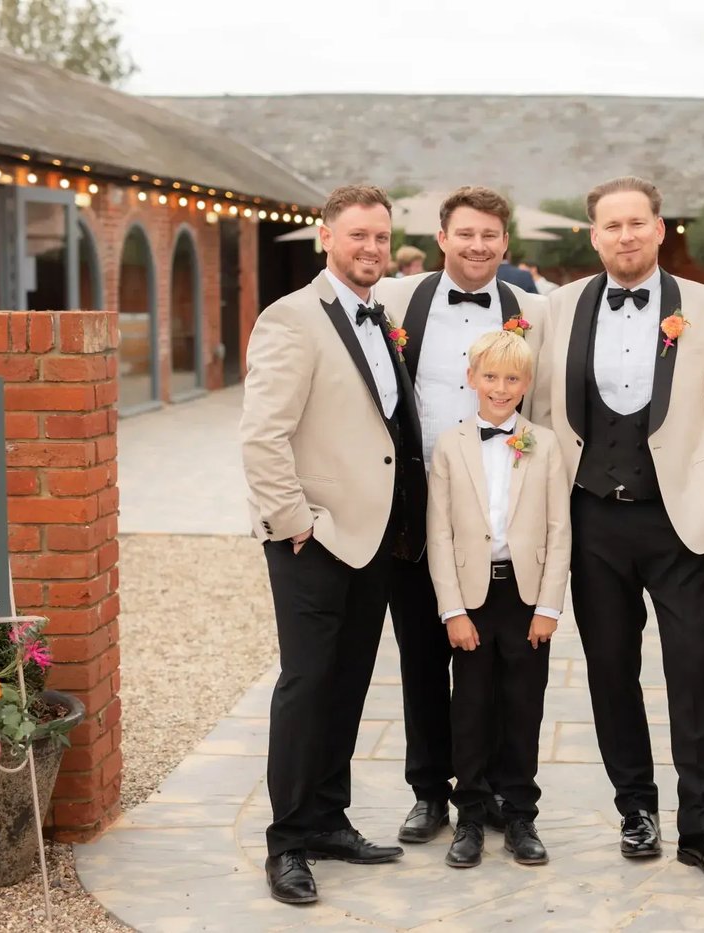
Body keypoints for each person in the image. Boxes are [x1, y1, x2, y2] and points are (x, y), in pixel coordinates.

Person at [532, 176, 704, 881]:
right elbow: (541, 410)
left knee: (691, 667)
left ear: (659, 229)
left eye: (636, 223)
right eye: (611, 225)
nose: (625, 235)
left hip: (677, 520)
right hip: (591, 517)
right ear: (594, 236)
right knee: (610, 669)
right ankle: (636, 807)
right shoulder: (559, 307)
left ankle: (702, 823)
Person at [241, 184, 423, 905]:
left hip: (373, 537)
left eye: (380, 237)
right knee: (307, 684)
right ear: (327, 237)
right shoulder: (291, 318)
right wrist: (295, 522)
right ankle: (287, 841)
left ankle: (327, 819)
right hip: (311, 539)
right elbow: (263, 435)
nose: (371, 248)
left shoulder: (381, 318)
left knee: (348, 683)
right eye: (358, 236)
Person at [377, 186, 548, 846]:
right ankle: (429, 791)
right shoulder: (397, 300)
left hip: (500, 509)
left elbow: (545, 405)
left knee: (498, 666)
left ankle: (500, 789)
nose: (478, 246)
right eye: (466, 233)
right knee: (423, 655)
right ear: (443, 237)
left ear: (506, 243)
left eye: (490, 235)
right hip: (416, 507)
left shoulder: (534, 310)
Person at [429, 330, 570, 869]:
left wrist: (549, 607)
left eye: (512, 379)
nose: (501, 388)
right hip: (472, 599)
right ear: (472, 379)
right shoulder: (450, 444)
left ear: (526, 383)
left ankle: (520, 815)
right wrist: (452, 610)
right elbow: (439, 532)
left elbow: (559, 529)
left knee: (523, 707)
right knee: (469, 707)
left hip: (525, 597)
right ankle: (469, 814)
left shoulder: (544, 443)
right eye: (490, 376)